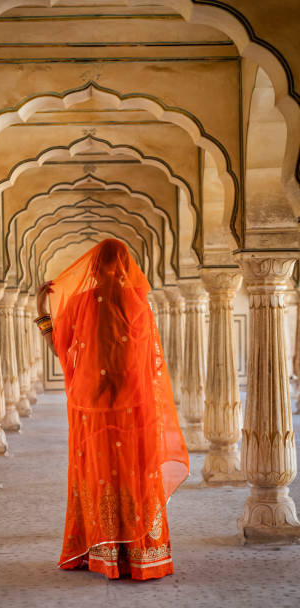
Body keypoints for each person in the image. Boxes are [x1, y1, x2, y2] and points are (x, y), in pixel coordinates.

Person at [35, 238, 188, 580]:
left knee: (99, 475)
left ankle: (102, 553)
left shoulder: (80, 302)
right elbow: (153, 366)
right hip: (135, 407)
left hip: (93, 407)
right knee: (136, 474)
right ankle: (141, 555)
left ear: (94, 265)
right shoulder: (139, 306)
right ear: (125, 265)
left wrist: (40, 307)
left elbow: (60, 350)